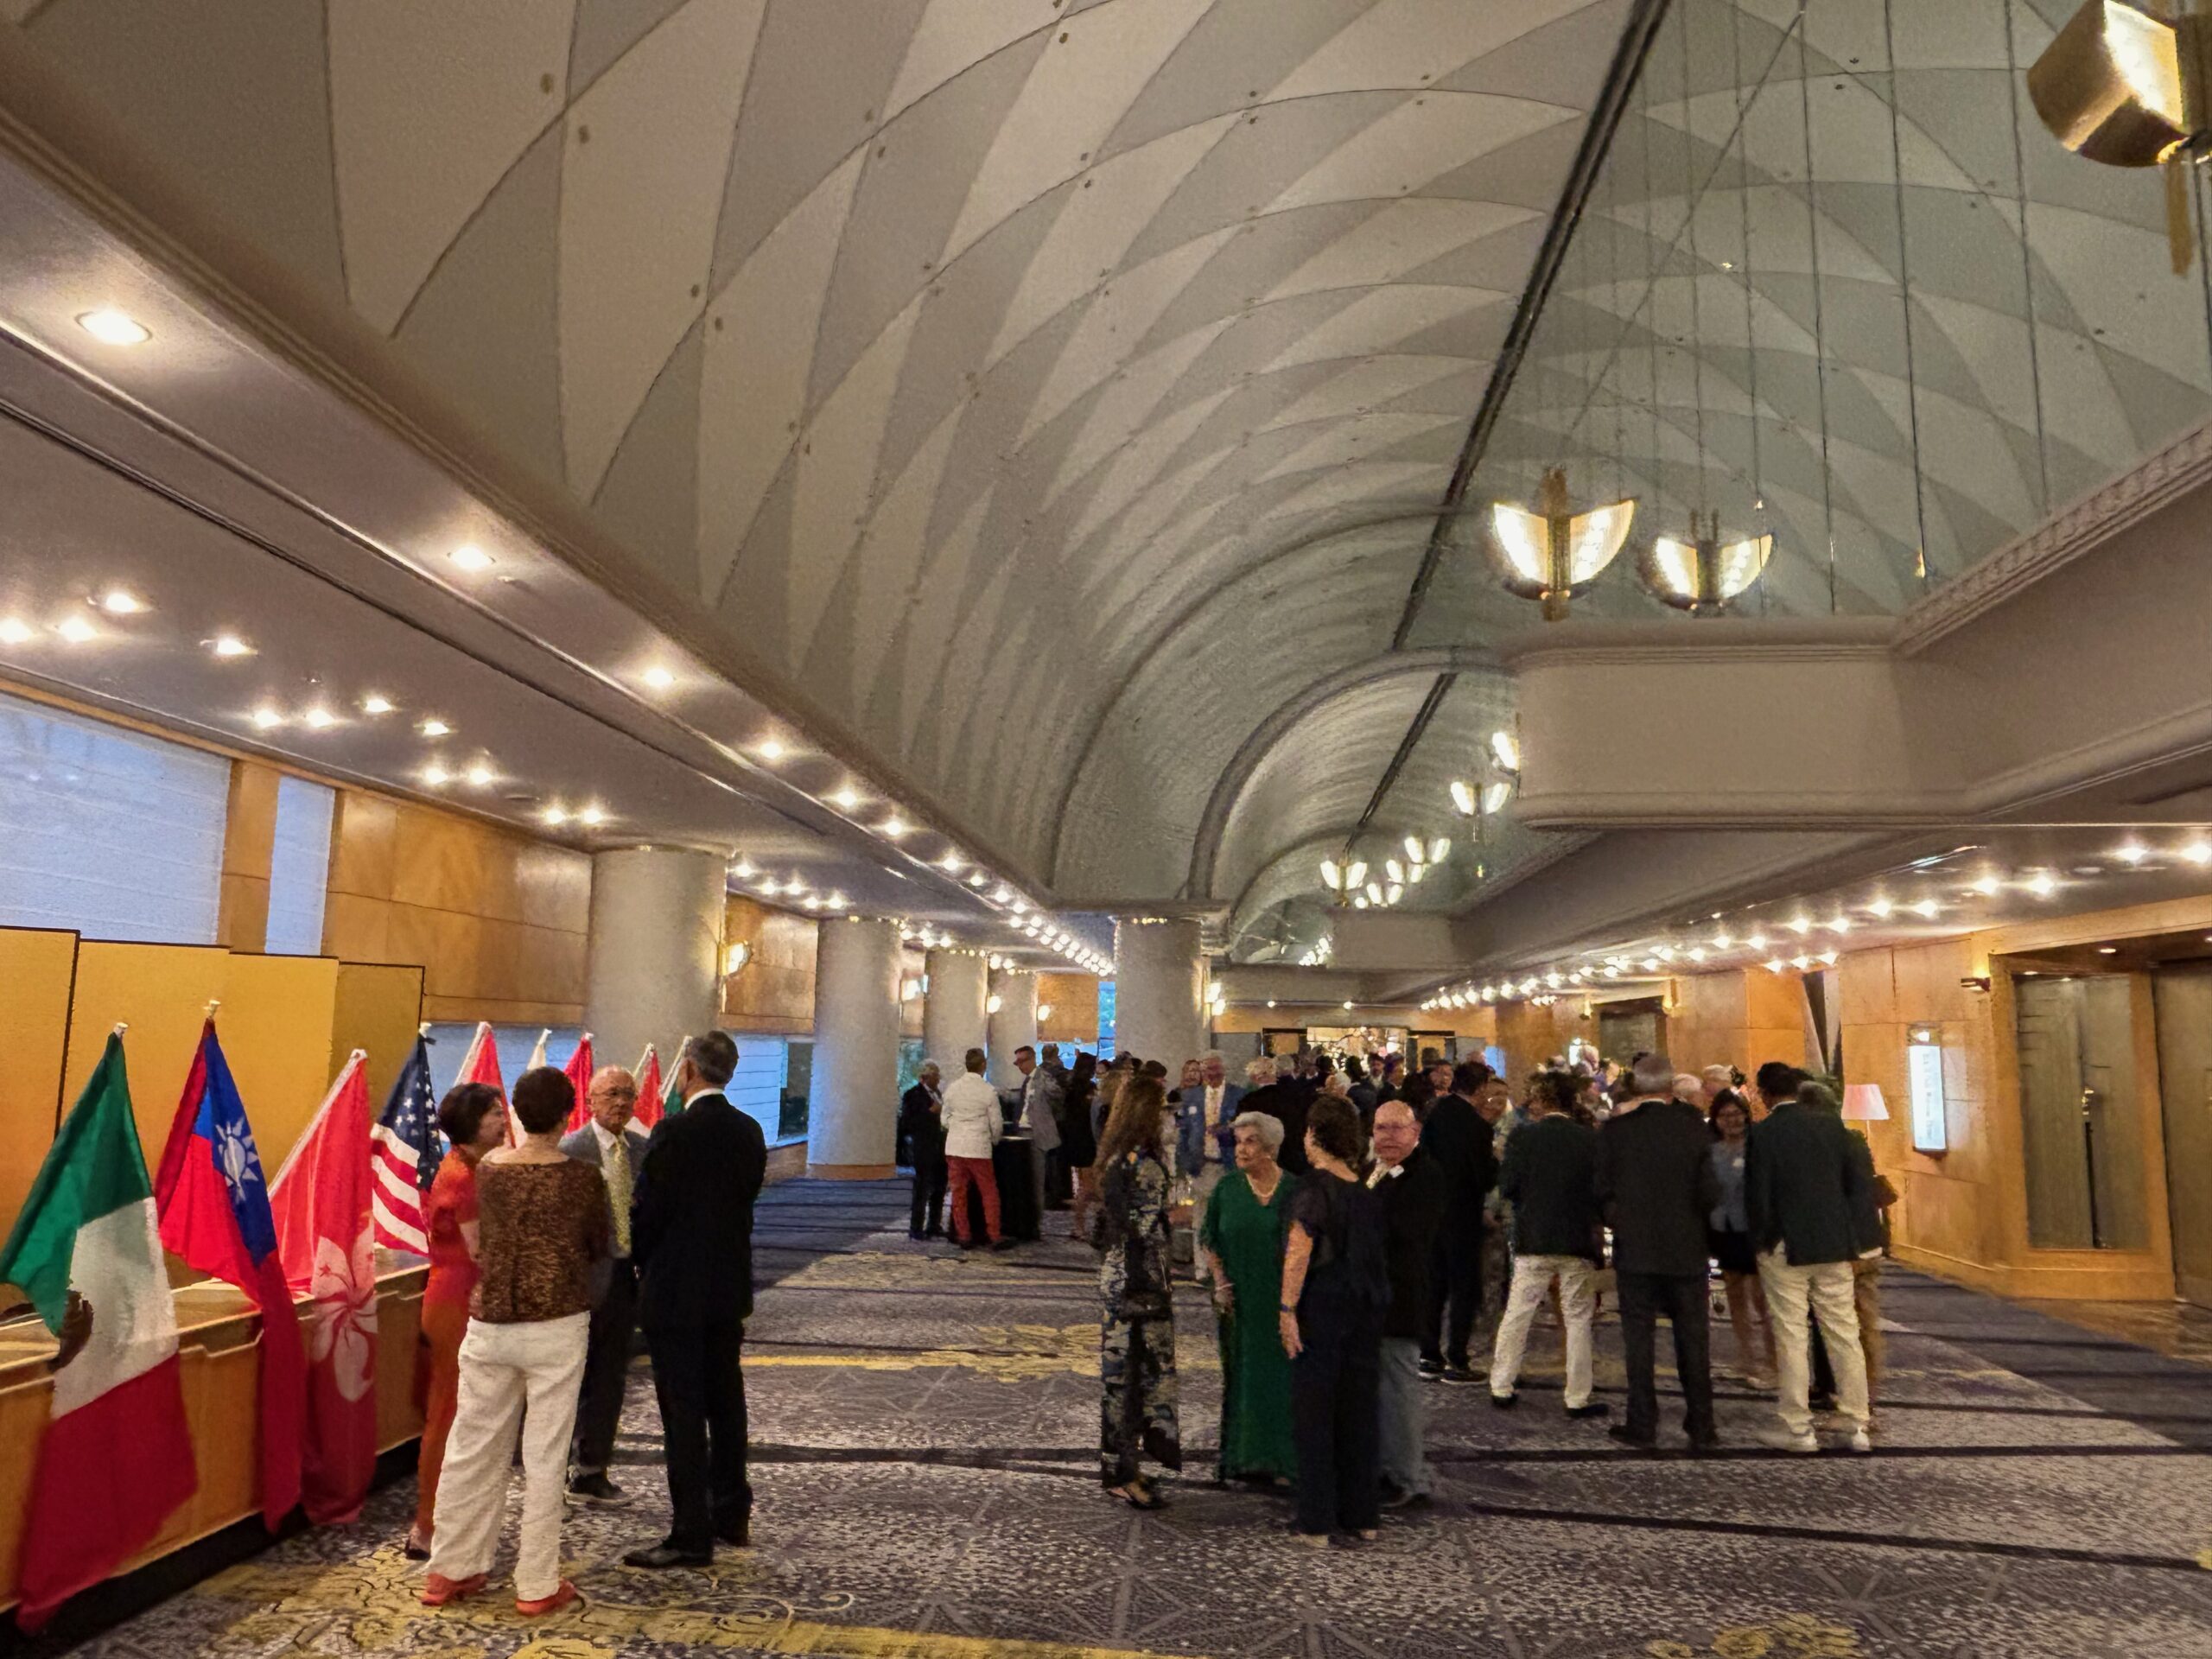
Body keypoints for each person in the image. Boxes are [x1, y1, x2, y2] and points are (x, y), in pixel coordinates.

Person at [422, 1067, 608, 1617]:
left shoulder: (490, 1170)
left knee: (470, 1449)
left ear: (519, 1116)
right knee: (546, 1457)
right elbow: (598, 1244)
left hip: (489, 1323)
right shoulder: (582, 1177)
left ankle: (450, 1569)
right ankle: (536, 1584)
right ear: (567, 1116)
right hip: (555, 1325)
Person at [623, 1032, 768, 1567]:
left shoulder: (674, 1132)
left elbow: (649, 1211)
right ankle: (731, 1512)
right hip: (728, 1287)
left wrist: (639, 1258)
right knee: (727, 1402)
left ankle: (690, 1532)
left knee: (683, 1410)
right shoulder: (749, 1131)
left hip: (676, 1291)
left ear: (688, 1071)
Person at [1594, 1052, 1721, 1452]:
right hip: (1687, 1249)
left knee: (1638, 1340)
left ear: (1635, 1085)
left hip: (1637, 1250)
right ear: (1670, 1085)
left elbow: (1600, 1190)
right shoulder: (1695, 1129)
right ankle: (1702, 1425)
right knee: (1694, 1340)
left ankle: (1642, 1423)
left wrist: (1621, 1221)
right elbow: (1711, 1191)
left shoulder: (1617, 1131)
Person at [1278, 1096, 1389, 1545]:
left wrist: (1287, 1310)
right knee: (1358, 1411)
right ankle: (1362, 1516)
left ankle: (1316, 1522)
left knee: (1315, 1413)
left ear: (1314, 1135)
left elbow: (1299, 1252)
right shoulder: (1364, 1190)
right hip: (1364, 1307)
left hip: (1321, 1307)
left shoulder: (1314, 1190)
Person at [1747, 1078, 1876, 1454]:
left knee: (1791, 1334)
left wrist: (1761, 1240)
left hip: (1785, 1243)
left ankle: (1798, 1427)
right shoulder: (1835, 1128)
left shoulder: (1766, 1132)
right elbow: (1856, 1187)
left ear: (1767, 1094)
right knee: (1844, 1331)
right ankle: (1856, 1423)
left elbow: (1758, 1192)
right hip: (1833, 1243)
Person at [408, 1081, 505, 1559]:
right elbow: (480, 1250)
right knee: (446, 1410)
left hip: (462, 1295)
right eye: (494, 1114)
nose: (503, 1120)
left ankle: (452, 1516)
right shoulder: (462, 1177)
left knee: (462, 1409)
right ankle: (426, 1525)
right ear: (471, 1123)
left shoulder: (474, 1167)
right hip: (456, 1301)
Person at [1488, 1071, 1608, 1418]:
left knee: (1518, 1312)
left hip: (1533, 1236)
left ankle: (1501, 1384)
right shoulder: (1589, 1140)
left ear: (1543, 1099)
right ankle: (1577, 1396)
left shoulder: (1523, 1137)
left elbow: (1508, 1187)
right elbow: (1600, 1192)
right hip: (1577, 1238)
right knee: (1578, 1318)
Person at [559, 1065, 651, 1506]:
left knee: (611, 1377)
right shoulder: (571, 1151)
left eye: (628, 1095)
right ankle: (557, 1468)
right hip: (580, 1283)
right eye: (611, 1094)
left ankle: (593, 1470)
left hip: (625, 1279)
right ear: (591, 1100)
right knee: (572, 1379)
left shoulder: (643, 1150)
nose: (621, 1103)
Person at [1095, 1073, 1181, 1508]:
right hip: (1140, 1281)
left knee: (1119, 1376)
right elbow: (1145, 1227)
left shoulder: (1117, 1156)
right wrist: (1177, 1217)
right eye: (1162, 1109)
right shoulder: (1144, 1164)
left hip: (1117, 1276)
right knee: (1136, 1378)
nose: (1167, 1117)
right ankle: (1124, 1472)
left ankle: (1118, 1466)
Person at [1198, 1111, 1298, 1487]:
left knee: (1282, 1379)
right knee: (1241, 1376)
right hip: (1238, 1299)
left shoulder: (1295, 1191)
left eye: (1250, 1141)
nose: (1241, 1149)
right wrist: (1221, 1283)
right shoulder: (1227, 1188)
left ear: (1271, 1148)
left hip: (1281, 1300)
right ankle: (1242, 1458)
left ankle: (1282, 1459)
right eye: (1238, 1142)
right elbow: (1210, 1238)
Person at [1367, 1099, 1443, 1508]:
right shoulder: (1371, 1169)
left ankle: (1405, 1476)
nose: (1388, 1136)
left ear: (1415, 1133)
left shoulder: (1425, 1175)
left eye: (1397, 1128)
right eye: (1381, 1128)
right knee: (1378, 1388)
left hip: (1401, 1298)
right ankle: (1383, 1465)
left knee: (1398, 1389)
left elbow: (1405, 1234)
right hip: (1370, 1298)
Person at [1417, 1061, 1497, 1383]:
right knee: (1464, 1287)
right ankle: (1457, 1358)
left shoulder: (1435, 1114)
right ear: (1480, 1088)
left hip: (1432, 1211)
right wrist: (1496, 1163)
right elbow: (1483, 1177)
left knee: (1434, 1284)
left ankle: (1428, 1354)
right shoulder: (1478, 1126)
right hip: (1463, 1214)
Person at [1708, 1088, 1777, 1390]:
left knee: (1763, 1300)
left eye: (1736, 1114)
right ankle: (1746, 1359)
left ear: (1746, 1115)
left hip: (1753, 1229)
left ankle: (1774, 1362)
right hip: (1724, 1230)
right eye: (1725, 1115)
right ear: (1716, 1119)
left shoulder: (1757, 1147)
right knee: (1735, 1296)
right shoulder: (1713, 1151)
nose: (1732, 1120)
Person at [942, 1048, 1011, 1251]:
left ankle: (963, 1235)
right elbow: (996, 1123)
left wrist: (957, 1128)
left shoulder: (953, 1088)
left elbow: (944, 1119)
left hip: (955, 1147)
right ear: (983, 1065)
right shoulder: (987, 1090)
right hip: (979, 1147)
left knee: (958, 1193)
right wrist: (994, 1140)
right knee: (988, 1192)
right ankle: (994, 1234)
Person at [899, 1061, 948, 1239]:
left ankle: (934, 1224)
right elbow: (907, 1123)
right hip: (924, 1148)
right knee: (922, 1189)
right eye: (936, 1075)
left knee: (939, 1188)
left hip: (939, 1147)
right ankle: (916, 1227)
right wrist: (930, 1113)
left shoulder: (937, 1094)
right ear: (926, 1077)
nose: (939, 1079)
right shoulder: (912, 1095)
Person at [1014, 1044, 1064, 1216]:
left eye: (1022, 1061)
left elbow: (1057, 1097)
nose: (1019, 1066)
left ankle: (1035, 1218)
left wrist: (1046, 1118)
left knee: (1037, 1179)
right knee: (1024, 1179)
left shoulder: (1043, 1077)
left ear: (1032, 1059)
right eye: (1017, 1063)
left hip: (1036, 1132)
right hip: (1022, 1132)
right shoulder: (1027, 1080)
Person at [1061, 1052, 1100, 1237]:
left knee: (1083, 1185)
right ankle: (1081, 1225)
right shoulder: (1089, 1089)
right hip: (1086, 1139)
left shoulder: (1069, 1086)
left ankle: (1080, 1225)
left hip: (1072, 1139)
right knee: (1089, 1185)